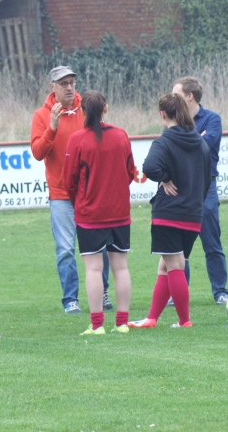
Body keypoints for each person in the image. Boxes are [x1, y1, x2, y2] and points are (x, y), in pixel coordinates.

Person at [31, 66, 111, 314]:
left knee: (100, 246)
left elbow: (101, 141)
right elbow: (37, 153)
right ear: (52, 87)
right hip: (62, 195)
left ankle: (103, 292)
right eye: (63, 83)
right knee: (66, 249)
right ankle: (70, 299)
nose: (69, 87)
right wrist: (52, 127)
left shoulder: (86, 108)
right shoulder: (42, 115)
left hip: (89, 193)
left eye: (72, 82)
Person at [129, 93, 211, 330]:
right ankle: (151, 318)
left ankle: (184, 321)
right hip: (193, 215)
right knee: (167, 265)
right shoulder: (200, 142)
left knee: (175, 265)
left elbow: (150, 167)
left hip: (168, 213)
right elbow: (207, 178)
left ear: (163, 114)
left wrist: (165, 179)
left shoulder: (163, 141)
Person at [63, 91, 135, 335]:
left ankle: (97, 325)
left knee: (93, 269)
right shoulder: (121, 135)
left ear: (83, 111)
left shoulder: (77, 140)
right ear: (106, 109)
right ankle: (122, 322)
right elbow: (130, 173)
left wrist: (81, 201)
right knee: (121, 267)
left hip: (90, 215)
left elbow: (68, 180)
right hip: (119, 213)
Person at [172, 77, 228, 305]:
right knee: (179, 247)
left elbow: (206, 144)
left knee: (212, 243)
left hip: (206, 187)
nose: (171, 98)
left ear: (189, 96)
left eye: (175, 93)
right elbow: (171, 149)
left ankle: (220, 292)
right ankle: (178, 293)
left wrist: (184, 140)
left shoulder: (212, 119)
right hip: (181, 187)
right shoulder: (174, 119)